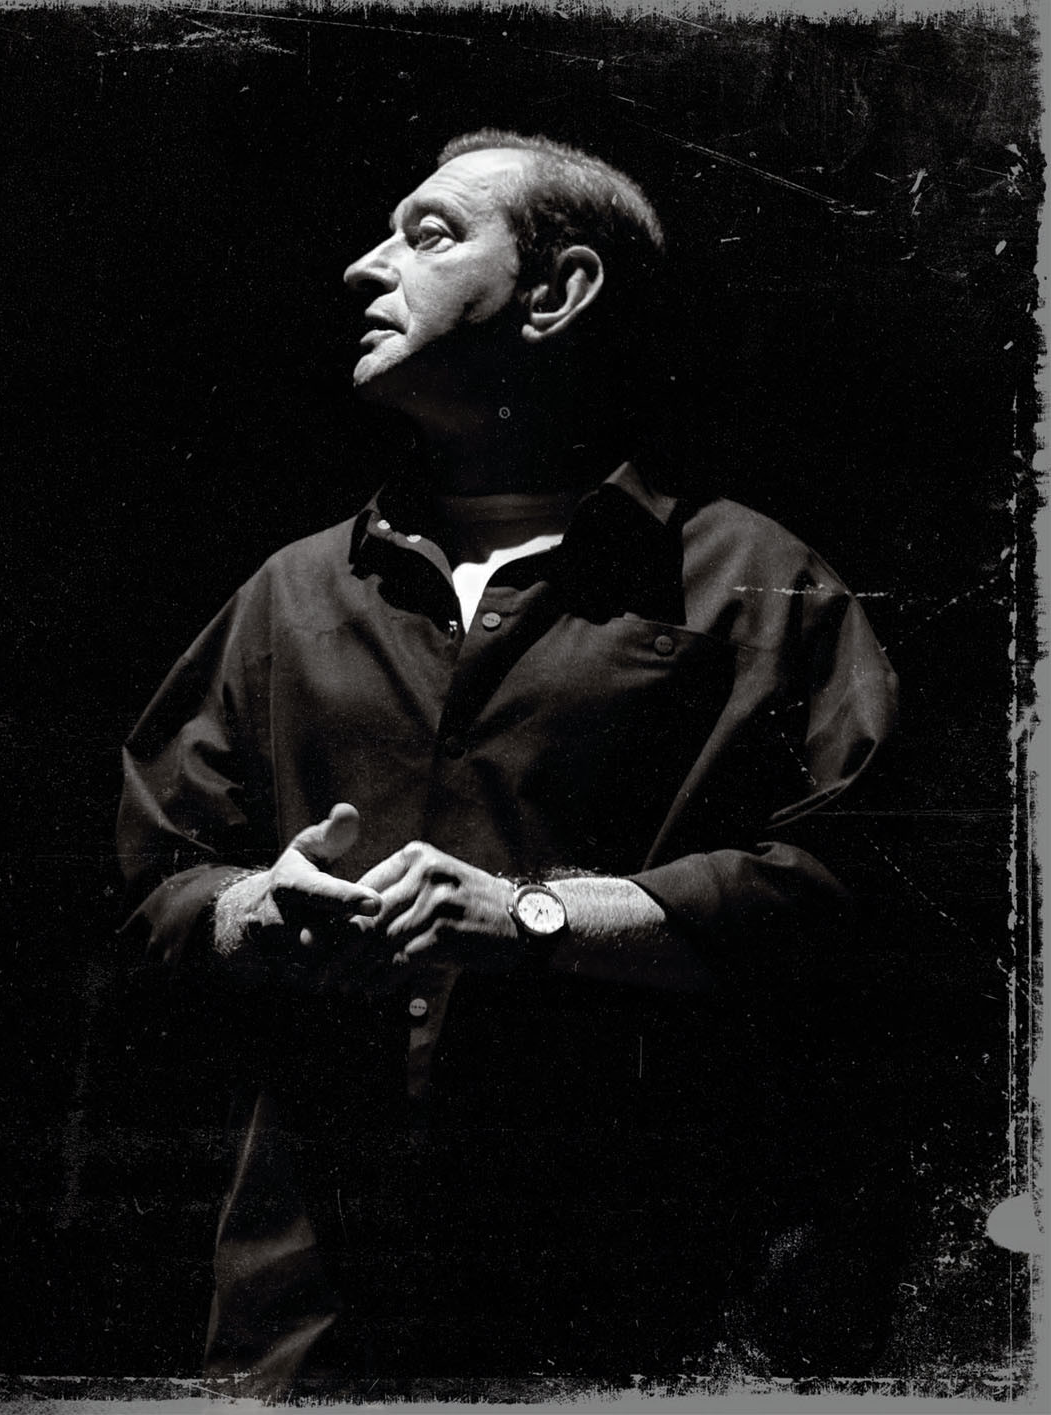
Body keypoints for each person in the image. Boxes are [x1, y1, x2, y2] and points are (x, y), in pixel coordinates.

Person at [117, 130, 899, 1396]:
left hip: (629, 1317)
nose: (366, 267)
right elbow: (157, 874)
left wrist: (532, 916)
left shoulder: (756, 583)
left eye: (428, 235)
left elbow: (853, 890)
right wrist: (255, 909)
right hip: (310, 1323)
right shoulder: (290, 594)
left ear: (557, 291)